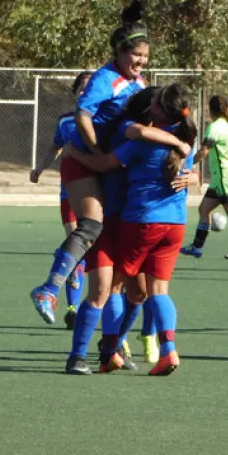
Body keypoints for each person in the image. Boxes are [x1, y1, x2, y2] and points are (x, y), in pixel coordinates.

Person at [28, 3, 190, 326]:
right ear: (119, 52)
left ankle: (113, 346)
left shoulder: (141, 84)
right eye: (135, 56)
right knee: (91, 225)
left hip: (113, 170)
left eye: (145, 56)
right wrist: (97, 150)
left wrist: (188, 173)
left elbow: (155, 125)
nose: (141, 62)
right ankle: (48, 289)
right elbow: (83, 116)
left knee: (121, 277)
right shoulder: (105, 78)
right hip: (86, 164)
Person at [66, 83, 197, 375]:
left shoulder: (139, 140)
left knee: (113, 286)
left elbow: (105, 164)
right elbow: (182, 164)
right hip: (175, 224)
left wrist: (74, 153)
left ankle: (109, 351)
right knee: (157, 290)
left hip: (141, 221)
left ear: (159, 111)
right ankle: (169, 351)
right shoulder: (185, 138)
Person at [29, 71, 93, 329]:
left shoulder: (103, 119)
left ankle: (64, 287)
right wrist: (40, 168)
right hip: (69, 192)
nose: (85, 92)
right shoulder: (65, 120)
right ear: (75, 91)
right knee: (77, 241)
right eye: (82, 88)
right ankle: (72, 308)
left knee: (83, 247)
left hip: (96, 193)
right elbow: (54, 147)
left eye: (90, 88)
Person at [180, 95, 228, 260]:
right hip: (223, 178)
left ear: (210, 109)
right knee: (204, 209)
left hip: (223, 178)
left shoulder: (214, 127)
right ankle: (197, 247)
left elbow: (204, 150)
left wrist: (188, 165)